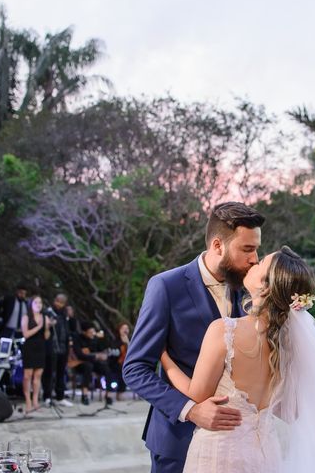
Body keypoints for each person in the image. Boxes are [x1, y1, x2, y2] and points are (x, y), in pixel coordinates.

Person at [160, 246, 315, 472]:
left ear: (264, 288)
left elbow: (196, 395)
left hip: (220, 452)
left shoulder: (224, 331)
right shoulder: (292, 346)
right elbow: (290, 412)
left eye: (261, 262)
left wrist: (164, 357)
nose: (254, 261)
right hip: (266, 455)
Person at [122, 202, 265, 472]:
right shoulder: (165, 287)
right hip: (177, 443)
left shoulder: (247, 290)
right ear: (217, 245)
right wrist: (190, 410)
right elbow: (134, 369)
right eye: (247, 249)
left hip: (234, 445)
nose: (255, 259)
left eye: (256, 249)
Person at [41, 293, 73, 407]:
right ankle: (47, 396)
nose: (59, 304)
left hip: (63, 347)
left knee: (61, 372)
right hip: (52, 346)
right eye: (58, 301)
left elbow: (68, 329)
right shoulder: (48, 312)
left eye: (62, 302)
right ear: (55, 301)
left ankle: (60, 396)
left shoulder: (64, 314)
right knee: (49, 373)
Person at [20, 295, 50, 414]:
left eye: (40, 302)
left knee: (38, 376)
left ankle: (35, 400)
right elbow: (26, 334)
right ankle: (28, 401)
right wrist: (39, 326)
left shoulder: (44, 317)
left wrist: (47, 328)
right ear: (31, 304)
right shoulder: (26, 317)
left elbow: (47, 337)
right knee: (28, 376)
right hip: (29, 347)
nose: (39, 305)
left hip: (41, 348)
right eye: (36, 302)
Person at [71, 322, 113, 405]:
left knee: (106, 368)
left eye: (93, 332)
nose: (92, 334)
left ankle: (108, 395)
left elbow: (100, 350)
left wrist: (103, 354)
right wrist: (95, 356)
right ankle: (85, 395)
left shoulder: (95, 339)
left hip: (93, 362)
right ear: (84, 332)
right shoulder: (77, 339)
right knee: (88, 367)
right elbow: (79, 355)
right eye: (90, 332)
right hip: (79, 363)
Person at [108, 321, 130, 401]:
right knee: (120, 370)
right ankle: (116, 393)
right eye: (123, 328)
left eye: (126, 328)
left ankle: (121, 392)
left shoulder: (130, 340)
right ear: (119, 330)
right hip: (115, 362)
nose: (125, 330)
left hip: (125, 363)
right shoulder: (115, 341)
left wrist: (127, 343)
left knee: (125, 369)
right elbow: (113, 352)